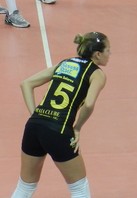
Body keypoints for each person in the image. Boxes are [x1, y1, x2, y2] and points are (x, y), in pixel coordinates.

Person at [11, 32, 111, 198]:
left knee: (25, 187)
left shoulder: (65, 63)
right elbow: (89, 103)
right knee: (79, 189)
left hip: (34, 126)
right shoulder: (97, 74)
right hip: (59, 129)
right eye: (108, 50)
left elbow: (26, 83)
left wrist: (35, 115)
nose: (110, 54)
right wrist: (77, 128)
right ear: (98, 54)